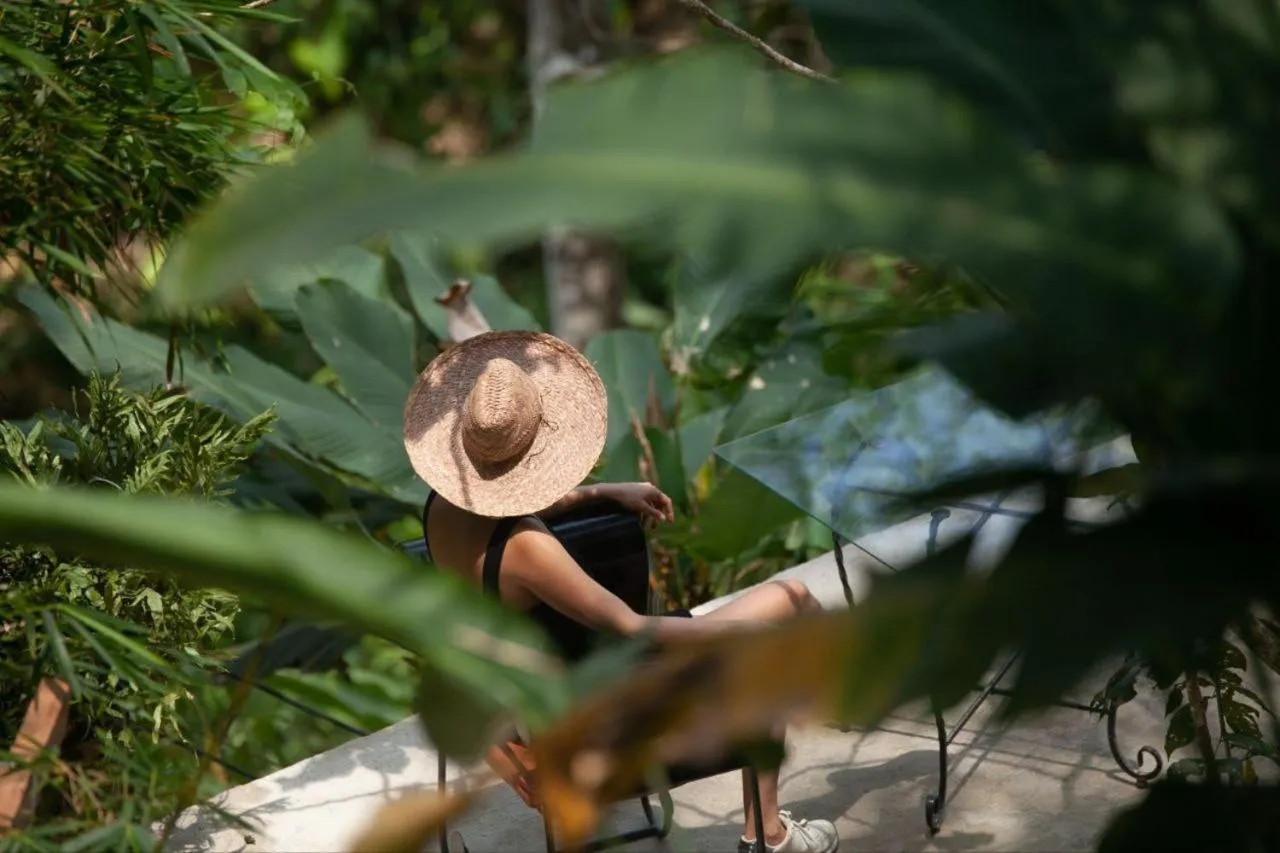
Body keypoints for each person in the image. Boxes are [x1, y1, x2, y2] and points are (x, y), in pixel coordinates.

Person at [402, 330, 840, 853]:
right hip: (598, 714)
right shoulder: (528, 552)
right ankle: (769, 836)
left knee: (792, 595)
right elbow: (630, 626)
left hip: (539, 696)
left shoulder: (445, 507)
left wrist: (604, 491)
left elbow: (518, 508)